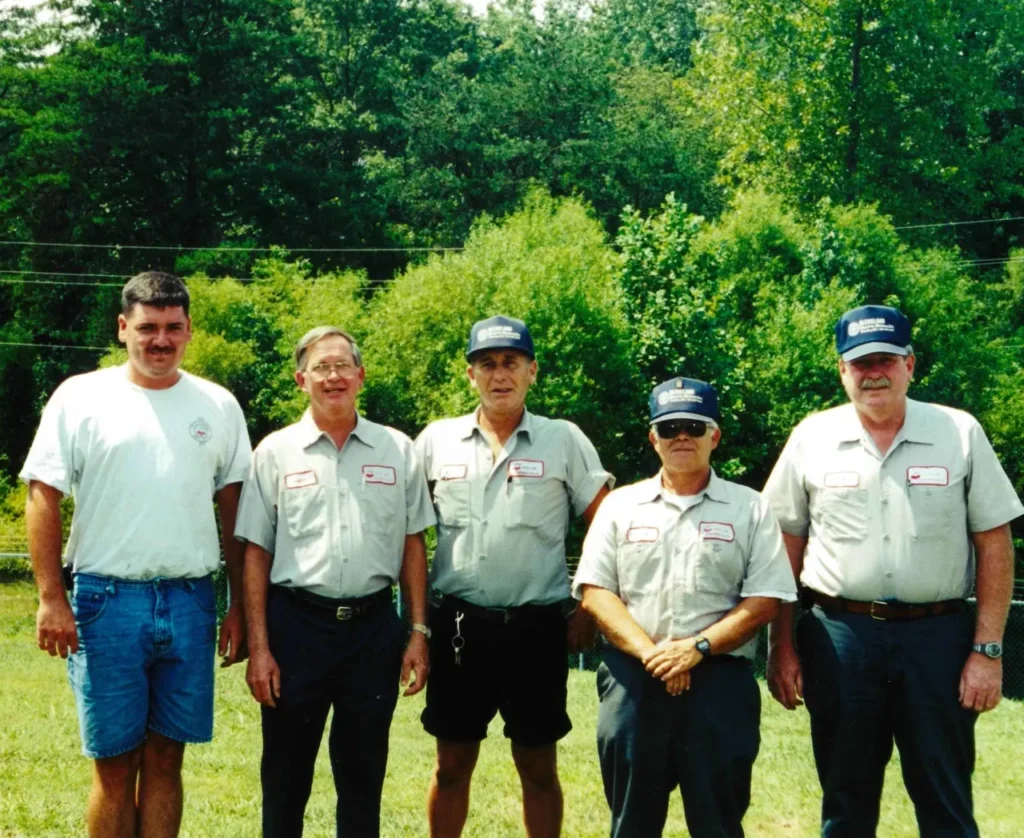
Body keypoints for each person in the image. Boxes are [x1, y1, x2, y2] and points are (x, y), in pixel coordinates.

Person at [763, 304, 1023, 837]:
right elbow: (783, 549)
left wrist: (987, 650)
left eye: (885, 359)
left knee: (946, 799)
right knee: (845, 802)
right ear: (841, 371)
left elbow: (995, 543)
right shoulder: (811, 437)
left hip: (939, 638)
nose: (872, 373)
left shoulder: (959, 432)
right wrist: (781, 646)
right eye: (859, 363)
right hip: (839, 639)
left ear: (910, 364)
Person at [20, 271, 251, 838]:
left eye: (173, 327)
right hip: (105, 600)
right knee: (116, 765)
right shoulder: (81, 396)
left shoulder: (217, 405)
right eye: (148, 327)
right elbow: (42, 495)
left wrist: (238, 606)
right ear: (123, 328)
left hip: (191, 597)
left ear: (190, 330)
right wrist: (52, 597)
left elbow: (237, 513)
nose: (161, 340)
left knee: (168, 758)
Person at [573, 376, 797, 838]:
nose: (681, 436)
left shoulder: (750, 508)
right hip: (634, 681)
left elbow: (766, 599)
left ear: (714, 436)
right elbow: (596, 591)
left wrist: (696, 648)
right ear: (652, 436)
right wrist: (654, 655)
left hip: (719, 683)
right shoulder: (620, 506)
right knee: (632, 823)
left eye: (694, 426)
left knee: (717, 821)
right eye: (670, 425)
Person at [416, 315, 613, 838]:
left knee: (538, 766)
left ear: (532, 371)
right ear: (469, 375)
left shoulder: (563, 440)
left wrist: (589, 608)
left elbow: (609, 523)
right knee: (451, 765)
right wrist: (416, 625)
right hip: (458, 627)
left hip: (537, 628)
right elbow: (407, 534)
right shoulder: (436, 441)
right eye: (487, 364)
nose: (499, 375)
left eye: (510, 363)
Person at [236, 325, 434, 838]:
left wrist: (417, 632)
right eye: (321, 367)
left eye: (343, 365)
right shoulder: (274, 453)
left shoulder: (398, 450)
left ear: (361, 376)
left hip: (373, 632)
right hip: (295, 630)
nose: (333, 376)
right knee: (285, 778)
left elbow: (414, 544)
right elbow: (255, 553)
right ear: (302, 379)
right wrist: (260, 648)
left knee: (363, 778)